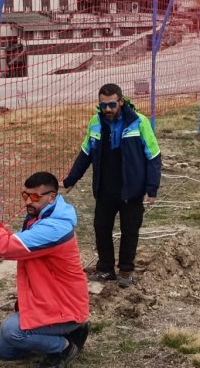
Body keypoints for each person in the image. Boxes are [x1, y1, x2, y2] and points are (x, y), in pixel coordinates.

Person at [0, 172, 90, 368]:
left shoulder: (54, 228)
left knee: (11, 331)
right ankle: (65, 333)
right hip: (48, 301)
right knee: (3, 352)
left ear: (52, 197)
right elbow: (10, 239)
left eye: (34, 197)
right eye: (25, 195)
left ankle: (65, 347)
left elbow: (4, 247)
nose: (28, 202)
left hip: (65, 307)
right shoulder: (43, 216)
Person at [63, 83, 162, 288]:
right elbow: (86, 153)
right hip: (105, 188)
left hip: (131, 189)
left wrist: (152, 189)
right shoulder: (95, 123)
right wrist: (71, 179)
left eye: (111, 104)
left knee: (129, 230)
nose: (107, 109)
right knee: (101, 228)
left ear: (121, 102)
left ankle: (126, 270)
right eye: (103, 105)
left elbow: (153, 156)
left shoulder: (139, 122)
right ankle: (105, 269)